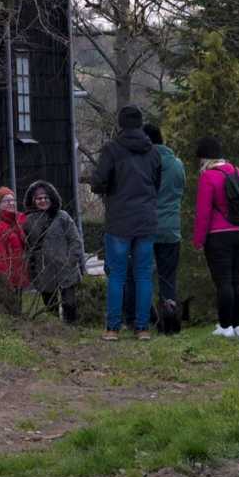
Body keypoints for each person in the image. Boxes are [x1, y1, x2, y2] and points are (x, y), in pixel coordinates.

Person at [95, 104, 174, 336]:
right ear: (140, 123)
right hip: (146, 219)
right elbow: (156, 185)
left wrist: (109, 189)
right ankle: (142, 328)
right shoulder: (153, 153)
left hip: (119, 219)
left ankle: (113, 328)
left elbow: (99, 181)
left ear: (120, 124)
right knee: (143, 275)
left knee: (117, 275)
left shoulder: (111, 150)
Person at [193, 150, 239, 339]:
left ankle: (225, 326)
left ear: (205, 159)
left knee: (223, 282)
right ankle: (237, 326)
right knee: (237, 279)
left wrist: (199, 239)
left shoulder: (208, 176)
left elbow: (203, 212)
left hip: (219, 234)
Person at [147, 110, 191, 322]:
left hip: (146, 227)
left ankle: (148, 316)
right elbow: (181, 190)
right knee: (168, 277)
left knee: (143, 274)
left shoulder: (145, 164)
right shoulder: (177, 164)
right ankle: (170, 315)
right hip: (171, 228)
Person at [27, 181, 85, 327]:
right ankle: (56, 331)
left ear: (52, 198)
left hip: (66, 269)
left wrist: (70, 261)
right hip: (44, 271)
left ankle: (71, 330)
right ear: (33, 200)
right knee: (50, 307)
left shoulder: (62, 217)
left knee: (70, 305)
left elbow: (75, 240)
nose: (43, 200)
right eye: (38, 198)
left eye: (45, 197)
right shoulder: (28, 221)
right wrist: (33, 270)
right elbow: (27, 247)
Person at [0, 187, 31, 309]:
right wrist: (4, 278)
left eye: (13, 200)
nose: (11, 203)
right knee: (12, 305)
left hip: (20, 272)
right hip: (10, 276)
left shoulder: (21, 221)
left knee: (18, 304)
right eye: (6, 201)